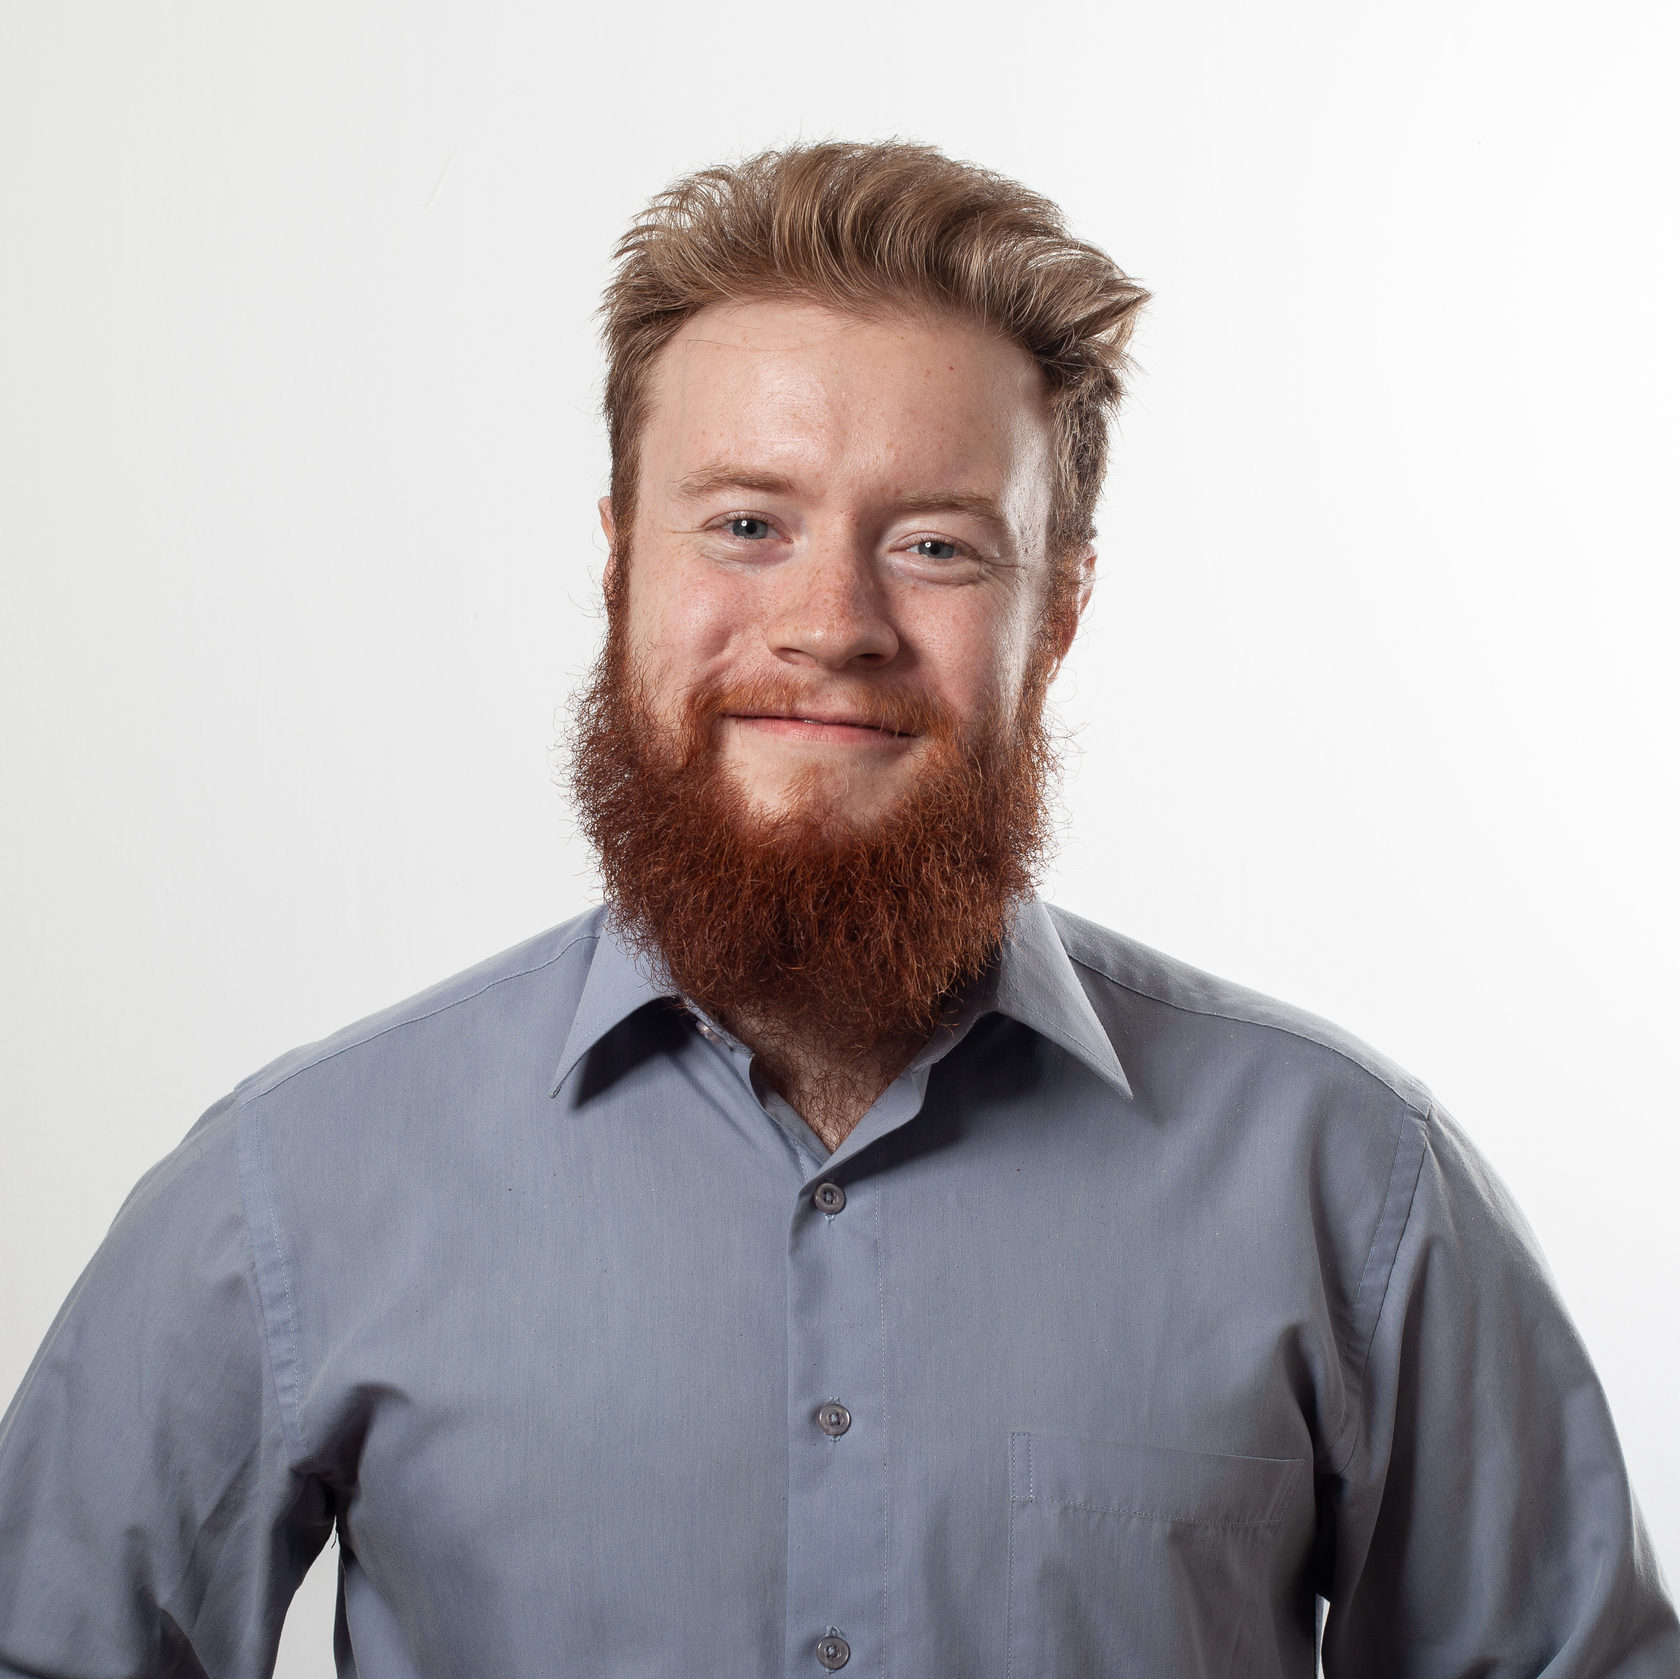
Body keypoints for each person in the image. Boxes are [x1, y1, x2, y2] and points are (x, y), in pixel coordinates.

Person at [0, 140, 1673, 1679]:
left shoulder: (1351, 1183)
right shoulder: (297, 1184)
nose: (830, 625)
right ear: (618, 566)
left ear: (1059, 608)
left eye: (937, 546)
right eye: (746, 524)